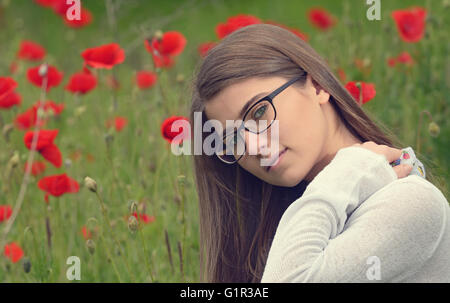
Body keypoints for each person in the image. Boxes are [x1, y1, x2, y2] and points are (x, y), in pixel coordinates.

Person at [189, 24, 450, 282]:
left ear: (317, 86)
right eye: (233, 139)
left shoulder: (410, 202)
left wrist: (348, 171)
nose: (254, 148)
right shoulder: (294, 230)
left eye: (259, 112)